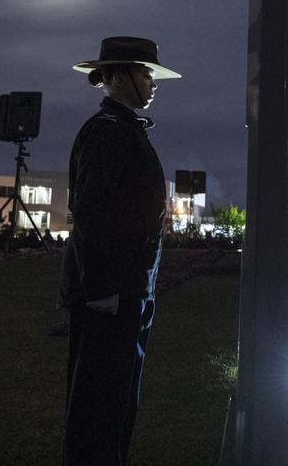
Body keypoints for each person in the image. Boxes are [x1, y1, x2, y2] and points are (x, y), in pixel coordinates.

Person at [62, 36, 181, 466]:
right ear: (117, 77)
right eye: (146, 73)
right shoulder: (106, 132)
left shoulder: (125, 129)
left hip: (131, 290)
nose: (153, 82)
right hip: (109, 296)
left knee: (118, 402)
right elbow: (91, 212)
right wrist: (102, 290)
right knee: (98, 405)